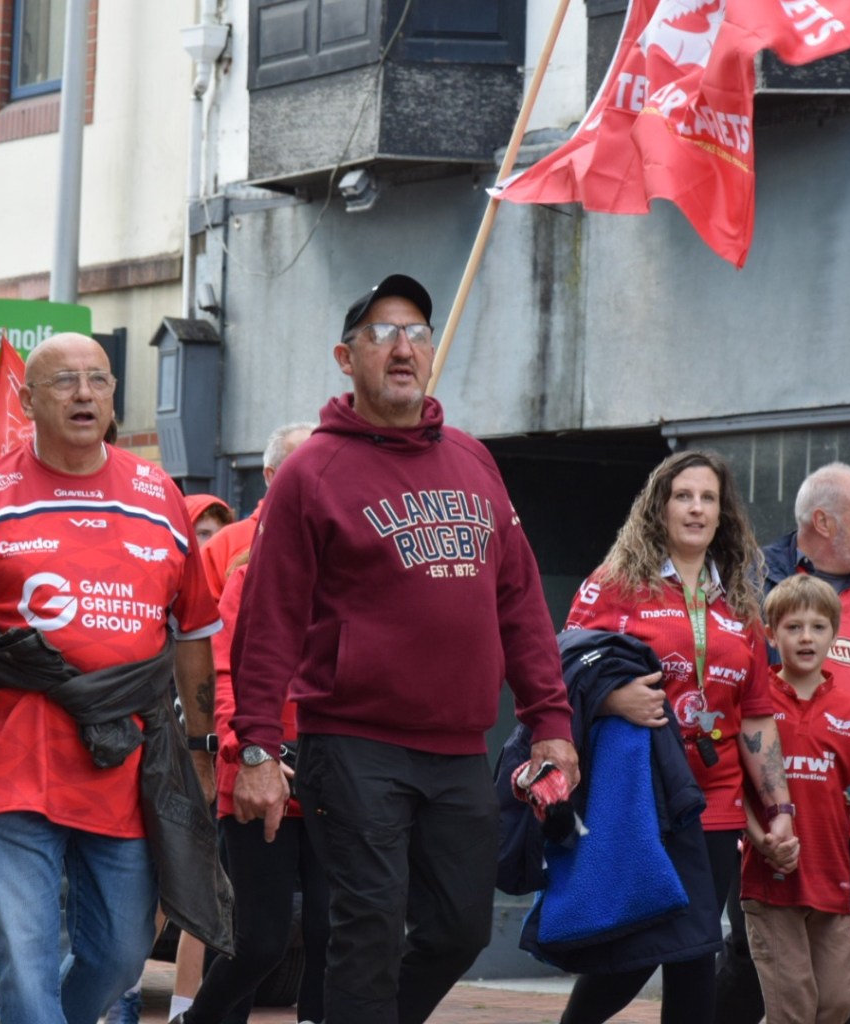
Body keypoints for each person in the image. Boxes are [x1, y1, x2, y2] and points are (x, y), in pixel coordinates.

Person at [230, 274, 577, 1024]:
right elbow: (268, 623)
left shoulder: (473, 460)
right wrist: (256, 749)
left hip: (457, 745)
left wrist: (550, 721)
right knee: (369, 927)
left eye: (417, 332)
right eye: (382, 332)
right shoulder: (310, 474)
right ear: (345, 357)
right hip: (354, 743)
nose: (403, 346)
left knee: (461, 929)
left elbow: (519, 602)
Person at [0, 332, 230, 1024]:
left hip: (127, 770)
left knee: (121, 954)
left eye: (97, 380)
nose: (84, 394)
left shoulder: (159, 495)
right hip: (9, 770)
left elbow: (195, 636)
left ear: (113, 395)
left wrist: (202, 753)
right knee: (25, 958)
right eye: (64, 382)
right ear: (26, 400)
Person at [560, 450, 794, 1023]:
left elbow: (757, 715)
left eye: (708, 498)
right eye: (683, 496)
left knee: (692, 951)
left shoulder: (740, 599)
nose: (695, 508)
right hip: (638, 796)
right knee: (635, 947)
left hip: (714, 806)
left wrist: (778, 804)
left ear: (723, 514)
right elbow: (557, 671)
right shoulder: (614, 585)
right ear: (658, 508)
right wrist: (614, 698)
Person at [718, 462, 850, 1024]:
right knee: (759, 968)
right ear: (823, 522)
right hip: (773, 819)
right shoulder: (750, 583)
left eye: (817, 628)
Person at [180, 555, 331, 1024]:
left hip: (337, 772)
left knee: (333, 933)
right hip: (258, 770)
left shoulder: (361, 568)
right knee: (260, 942)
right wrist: (245, 749)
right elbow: (221, 673)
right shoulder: (250, 574)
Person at [740, 575, 850, 1024]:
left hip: (833, 883)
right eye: (793, 627)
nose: (805, 637)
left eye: (818, 627)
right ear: (771, 634)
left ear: (834, 635)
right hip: (770, 883)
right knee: (793, 1008)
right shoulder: (755, 704)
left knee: (838, 999)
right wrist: (760, 840)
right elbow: (732, 787)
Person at [198, 423, 314, 600]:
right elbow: (201, 621)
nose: (319, 476)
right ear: (271, 475)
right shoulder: (225, 544)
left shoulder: (345, 536)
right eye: (305, 466)